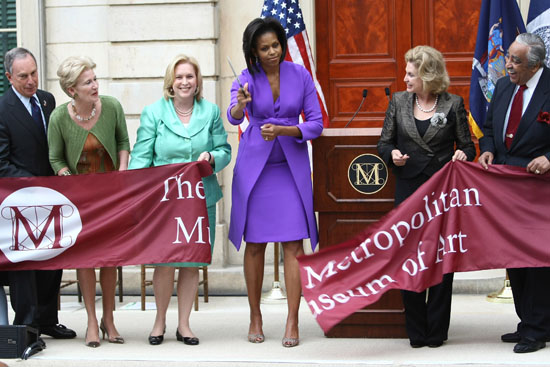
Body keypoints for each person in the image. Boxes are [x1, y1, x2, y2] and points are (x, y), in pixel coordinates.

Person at [227, 17, 323, 348]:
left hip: (291, 168)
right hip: (256, 169)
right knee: (255, 244)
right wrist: (240, 105)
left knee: (294, 245)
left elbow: (316, 124)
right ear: (253, 51)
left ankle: (293, 320)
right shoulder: (245, 78)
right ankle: (255, 315)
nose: (272, 52)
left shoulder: (300, 75)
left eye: (276, 45)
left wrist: (286, 130)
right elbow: (234, 116)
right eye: (264, 48)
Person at [377, 45, 475, 348]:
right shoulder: (398, 101)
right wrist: (393, 154)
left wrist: (462, 153)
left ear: (428, 75)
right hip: (408, 191)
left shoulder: (453, 104)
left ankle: (437, 331)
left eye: (411, 74)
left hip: (442, 192)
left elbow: (469, 146)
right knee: (411, 260)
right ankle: (416, 330)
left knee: (441, 261)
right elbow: (384, 143)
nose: (405, 79)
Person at [129, 54, 231, 346]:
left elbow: (224, 149)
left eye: (190, 76)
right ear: (170, 83)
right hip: (165, 201)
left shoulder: (210, 111)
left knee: (191, 263)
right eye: (179, 77)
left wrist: (212, 157)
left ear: (197, 82)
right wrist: (136, 193)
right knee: (164, 262)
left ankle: (184, 324)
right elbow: (140, 158)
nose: (185, 82)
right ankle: (159, 321)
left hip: (200, 199)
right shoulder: (153, 113)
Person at [48, 55, 130, 347]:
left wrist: (122, 173)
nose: (95, 85)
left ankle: (109, 319)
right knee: (86, 260)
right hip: (80, 200)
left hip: (111, 197)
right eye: (88, 82)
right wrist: (70, 178)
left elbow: (123, 142)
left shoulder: (112, 107)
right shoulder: (58, 117)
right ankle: (92, 322)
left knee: (109, 259)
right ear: (72, 90)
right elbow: (55, 157)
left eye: (95, 79)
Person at [479, 33, 550, 354]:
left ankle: (537, 330)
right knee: (516, 258)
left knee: (537, 261)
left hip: (540, 190)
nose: (507, 64)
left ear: (535, 65)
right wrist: (488, 149)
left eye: (515, 60)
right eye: (508, 56)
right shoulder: (506, 86)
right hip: (506, 189)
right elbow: (490, 128)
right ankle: (527, 323)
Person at [0, 47, 76, 340]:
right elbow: (2, 163)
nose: (31, 81)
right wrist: (34, 185)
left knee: (51, 260)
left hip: (52, 198)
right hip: (19, 202)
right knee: (25, 265)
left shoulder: (47, 101)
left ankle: (47, 319)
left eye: (34, 73)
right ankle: (27, 326)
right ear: (9, 77)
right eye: (23, 76)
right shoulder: (3, 109)